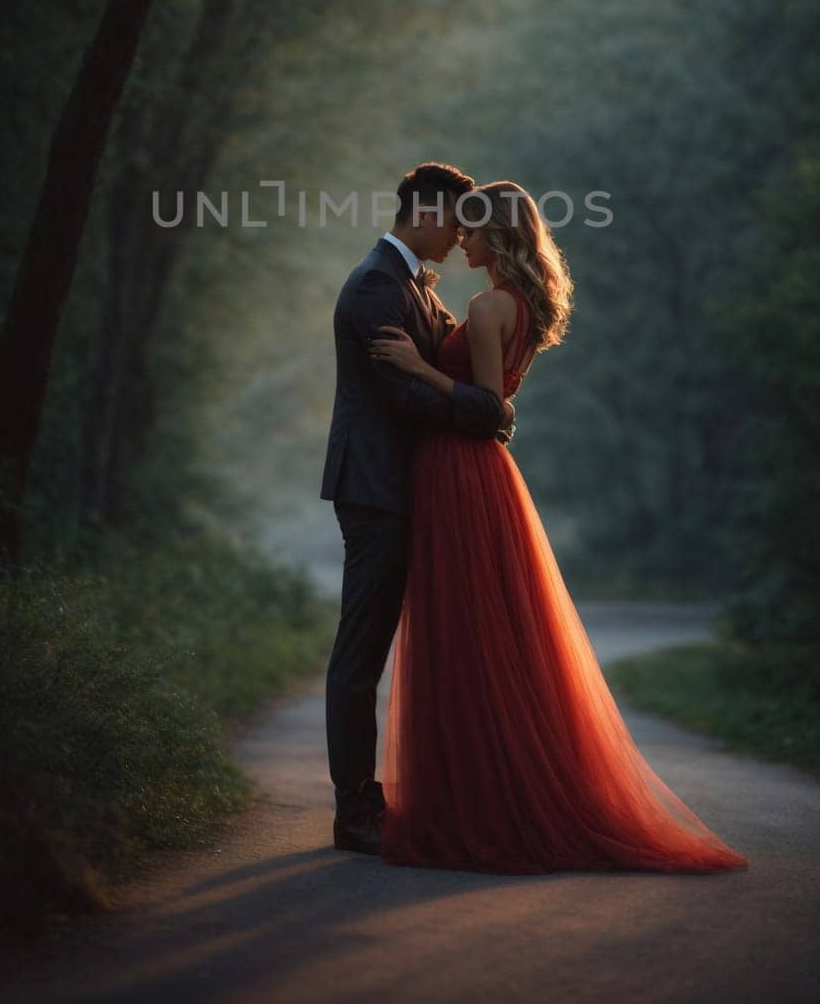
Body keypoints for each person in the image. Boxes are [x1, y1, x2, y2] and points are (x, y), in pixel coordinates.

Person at [369, 181, 749, 875]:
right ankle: (481, 794)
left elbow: (486, 407)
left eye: (470, 230)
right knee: (481, 630)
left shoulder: (488, 305)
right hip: (477, 475)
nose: (461, 239)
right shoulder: (517, 303)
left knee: (465, 630)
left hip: (461, 473)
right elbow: (501, 406)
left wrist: (420, 364)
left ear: (496, 236)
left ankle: (479, 807)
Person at [321, 163, 515, 855]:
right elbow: (403, 396)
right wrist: (486, 412)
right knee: (361, 653)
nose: (462, 235)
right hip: (377, 489)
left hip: (414, 487)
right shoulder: (377, 286)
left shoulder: (409, 285)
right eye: (458, 221)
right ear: (427, 214)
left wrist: (483, 405)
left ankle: (420, 795)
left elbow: (434, 377)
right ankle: (355, 812)